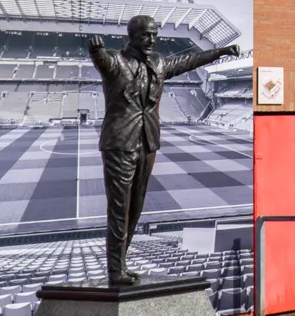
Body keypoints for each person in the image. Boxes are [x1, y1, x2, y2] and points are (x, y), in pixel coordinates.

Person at [86, 16, 241, 285]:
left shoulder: (158, 62)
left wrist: (221, 52)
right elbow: (103, 62)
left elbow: (189, 61)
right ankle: (114, 270)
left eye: (154, 35)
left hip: (148, 141)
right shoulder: (115, 61)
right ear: (131, 35)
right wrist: (95, 51)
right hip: (120, 142)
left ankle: (121, 264)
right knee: (119, 209)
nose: (151, 39)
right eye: (146, 35)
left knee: (135, 208)